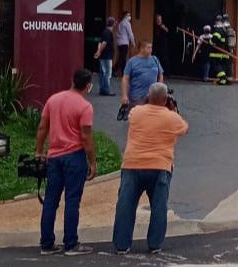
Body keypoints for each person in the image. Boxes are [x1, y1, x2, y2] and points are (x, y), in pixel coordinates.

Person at [112, 83, 189, 255]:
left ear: (149, 96)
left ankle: (122, 244)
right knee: (158, 206)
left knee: (126, 205)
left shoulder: (136, 112)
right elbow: (184, 129)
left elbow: (131, 116)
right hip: (160, 165)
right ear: (165, 99)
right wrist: (173, 109)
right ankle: (155, 244)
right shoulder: (172, 117)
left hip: (133, 164)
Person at [35, 69, 97, 256]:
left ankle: (46, 243)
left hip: (54, 156)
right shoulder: (85, 107)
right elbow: (86, 136)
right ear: (88, 86)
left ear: (72, 81)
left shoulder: (53, 100)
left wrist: (39, 151)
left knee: (50, 200)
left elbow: (42, 127)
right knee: (72, 200)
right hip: (74, 156)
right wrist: (92, 161)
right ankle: (71, 243)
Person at [122, 40, 164, 108]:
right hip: (137, 96)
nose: (151, 50)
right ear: (141, 49)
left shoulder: (155, 59)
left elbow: (160, 74)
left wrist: (159, 89)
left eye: (151, 47)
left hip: (152, 96)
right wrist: (124, 95)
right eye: (148, 48)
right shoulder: (132, 62)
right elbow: (125, 78)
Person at [211, 15, 230, 86]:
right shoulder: (224, 30)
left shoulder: (218, 30)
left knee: (217, 66)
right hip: (223, 51)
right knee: (222, 66)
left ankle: (223, 79)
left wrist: (210, 41)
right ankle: (224, 79)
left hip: (217, 52)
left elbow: (214, 39)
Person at [116, 11, 135, 77]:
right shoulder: (127, 23)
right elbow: (130, 33)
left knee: (122, 58)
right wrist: (133, 42)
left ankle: (123, 72)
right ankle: (115, 69)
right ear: (125, 16)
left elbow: (118, 34)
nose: (129, 17)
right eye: (128, 15)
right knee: (122, 58)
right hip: (124, 43)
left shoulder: (120, 23)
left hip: (120, 43)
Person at [224, 13, 237, 80]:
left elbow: (231, 40)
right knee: (226, 63)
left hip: (228, 49)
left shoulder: (229, 29)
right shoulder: (225, 28)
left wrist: (230, 49)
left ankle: (229, 78)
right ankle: (226, 77)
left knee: (228, 63)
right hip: (225, 49)